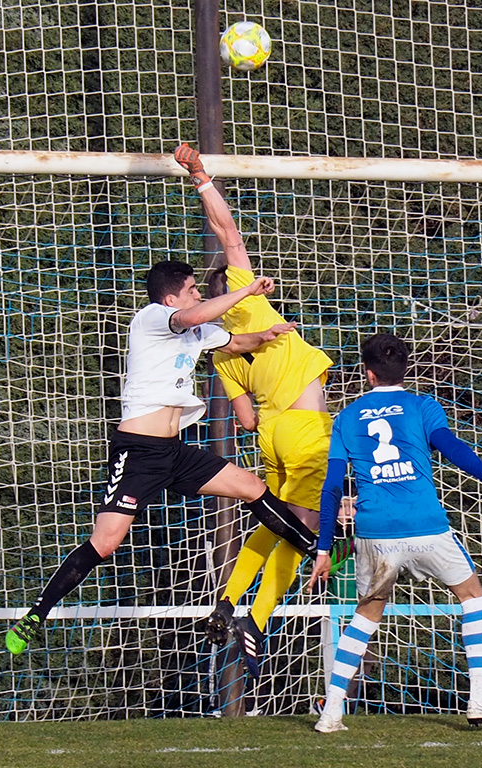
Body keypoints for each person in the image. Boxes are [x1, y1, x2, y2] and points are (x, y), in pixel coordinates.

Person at [4, 259, 349, 655]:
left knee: (251, 487)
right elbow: (197, 314)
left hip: (174, 451)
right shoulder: (152, 318)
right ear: (171, 299)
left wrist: (266, 334)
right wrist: (246, 290)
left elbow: (235, 342)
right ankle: (37, 613)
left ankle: (317, 546)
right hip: (138, 452)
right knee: (105, 543)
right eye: (191, 289)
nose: (199, 294)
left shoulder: (196, 331)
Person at [173, 143, 352, 679]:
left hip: (270, 437)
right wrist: (202, 175)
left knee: (278, 523)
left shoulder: (220, 351)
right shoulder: (248, 302)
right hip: (304, 431)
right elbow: (230, 233)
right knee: (314, 532)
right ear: (227, 291)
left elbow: (246, 420)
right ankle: (256, 617)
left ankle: (226, 600)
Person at [307, 333, 482, 732]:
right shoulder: (422, 405)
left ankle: (332, 711)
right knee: (472, 597)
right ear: (406, 368)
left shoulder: (347, 418)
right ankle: (477, 699)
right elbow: (448, 445)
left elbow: (333, 486)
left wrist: (323, 548)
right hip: (425, 526)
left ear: (367, 373)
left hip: (375, 531)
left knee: (366, 615)